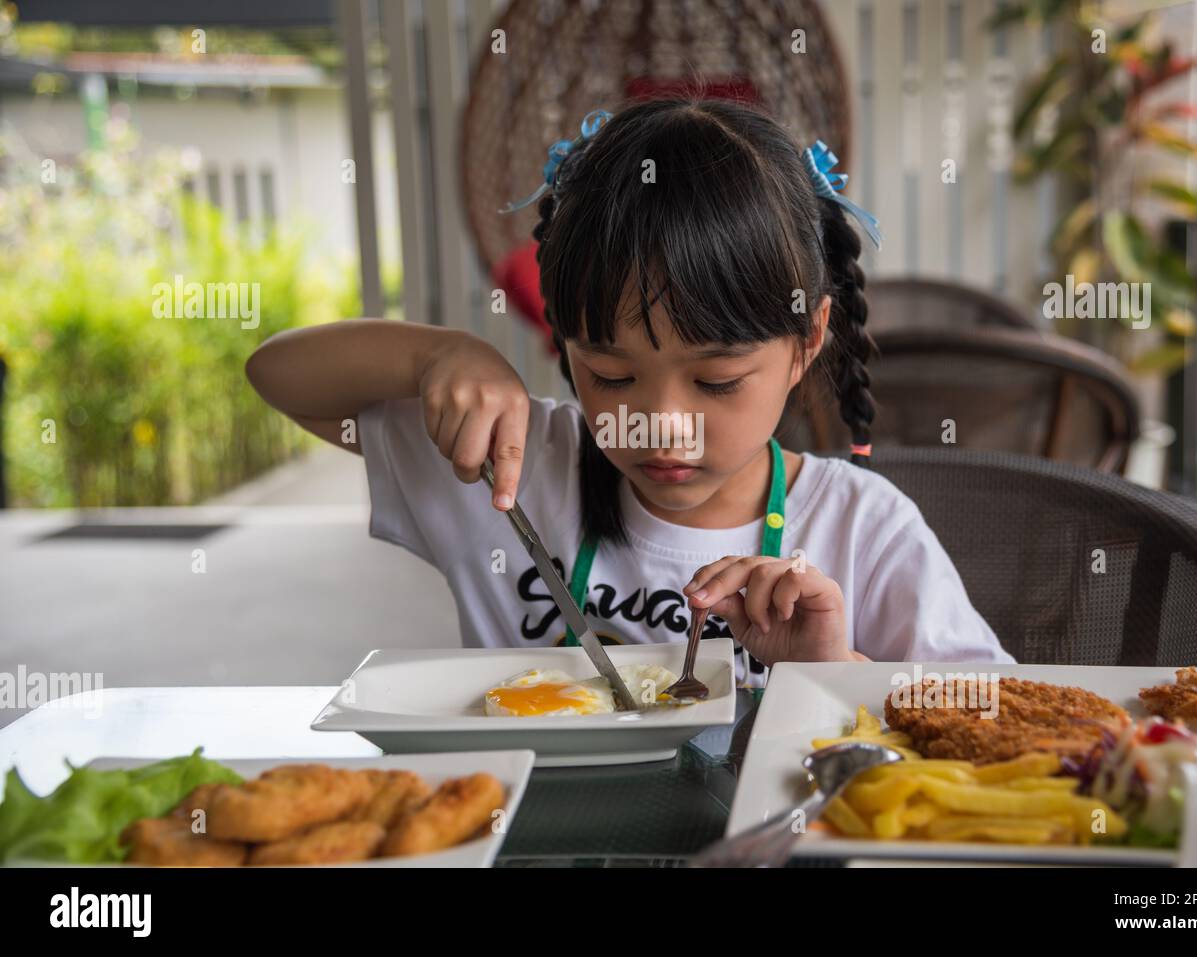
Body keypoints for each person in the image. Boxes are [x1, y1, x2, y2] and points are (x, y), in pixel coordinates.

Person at [247, 96, 1014, 684]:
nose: (662, 425)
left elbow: (999, 721)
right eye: (611, 375)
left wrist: (833, 672)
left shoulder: (862, 529)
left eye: (716, 380)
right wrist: (433, 357)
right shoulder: (511, 465)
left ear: (807, 340)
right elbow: (275, 374)